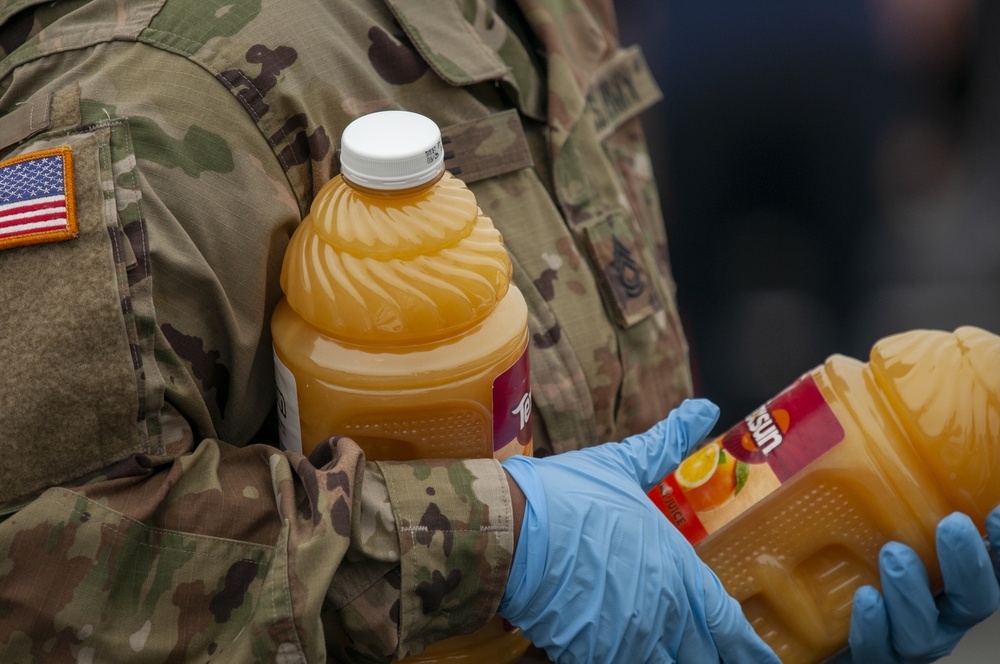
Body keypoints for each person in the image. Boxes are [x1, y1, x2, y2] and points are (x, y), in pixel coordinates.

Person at [0, 1, 995, 663]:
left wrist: (782, 577)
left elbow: (590, 421)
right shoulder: (140, 85)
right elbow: (32, 558)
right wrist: (505, 544)